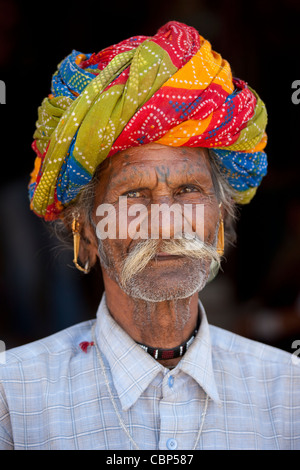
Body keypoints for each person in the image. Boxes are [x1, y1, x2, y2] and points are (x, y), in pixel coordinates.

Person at [0, 21, 299, 451]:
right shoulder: (13, 397)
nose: (164, 221)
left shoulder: (290, 393)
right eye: (134, 194)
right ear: (86, 234)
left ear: (219, 223)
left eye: (188, 191)